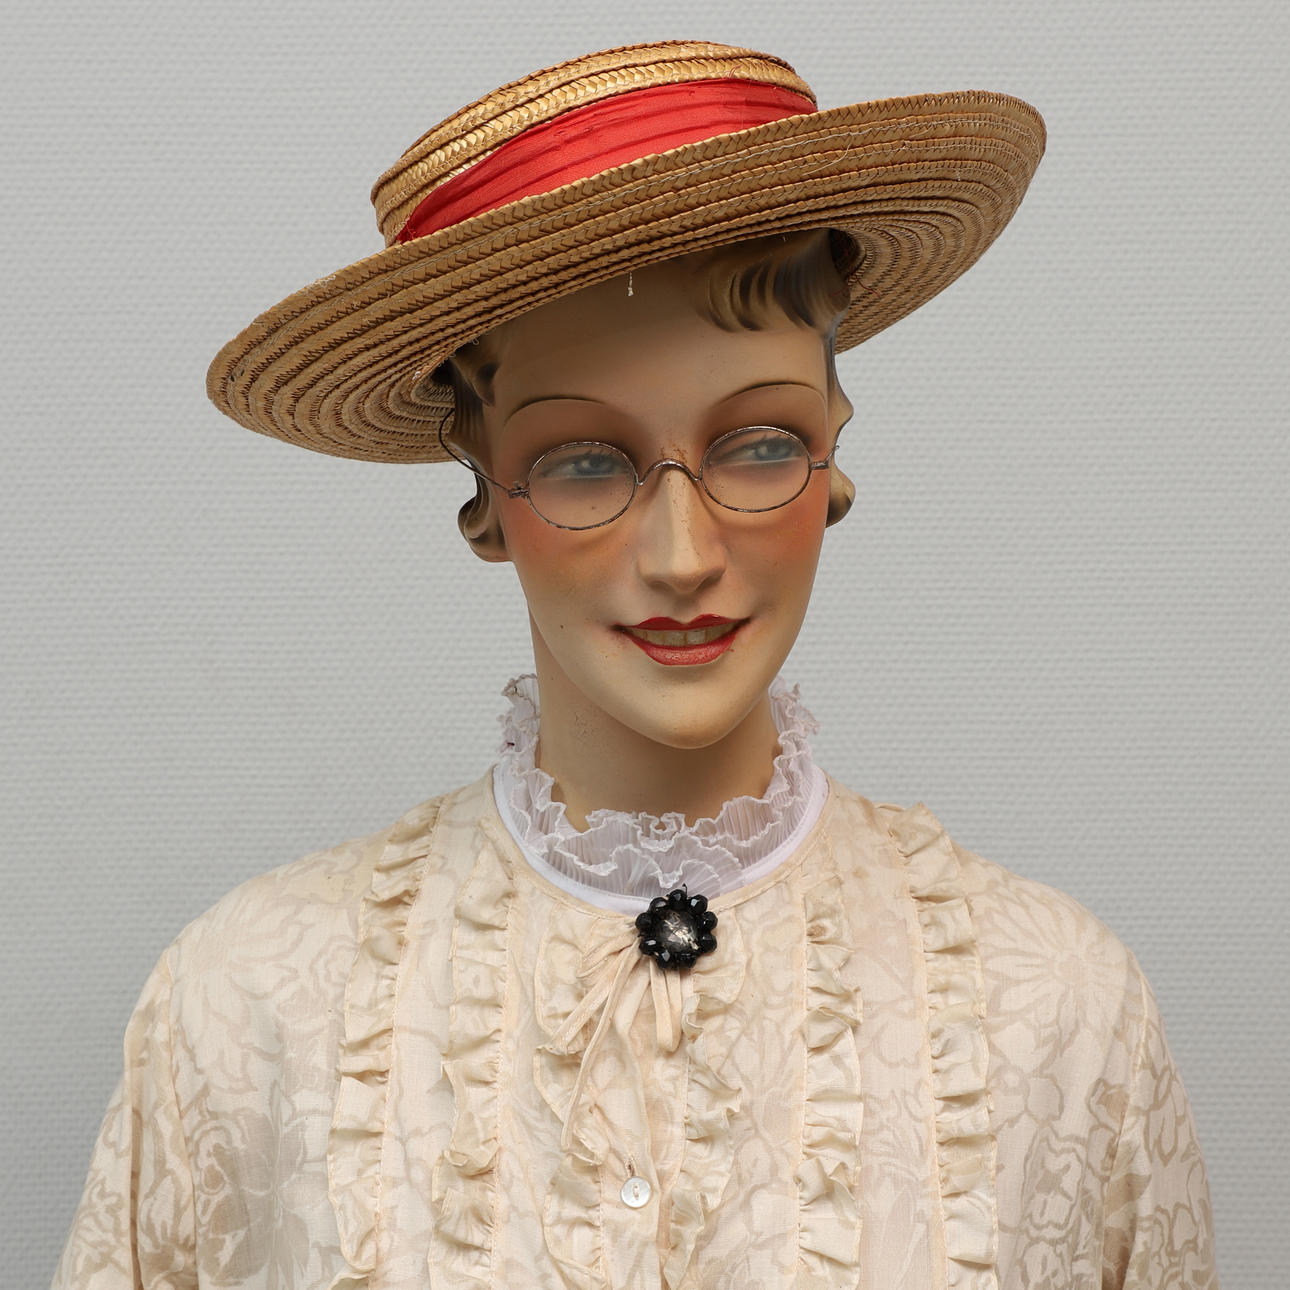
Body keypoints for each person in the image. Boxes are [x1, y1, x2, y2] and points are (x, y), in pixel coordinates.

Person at [52, 39, 1220, 1290]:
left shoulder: (1061, 1011)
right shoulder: (243, 1009)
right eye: (585, 462)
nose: (681, 553)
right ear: (485, 496)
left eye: (760, 442)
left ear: (834, 464)